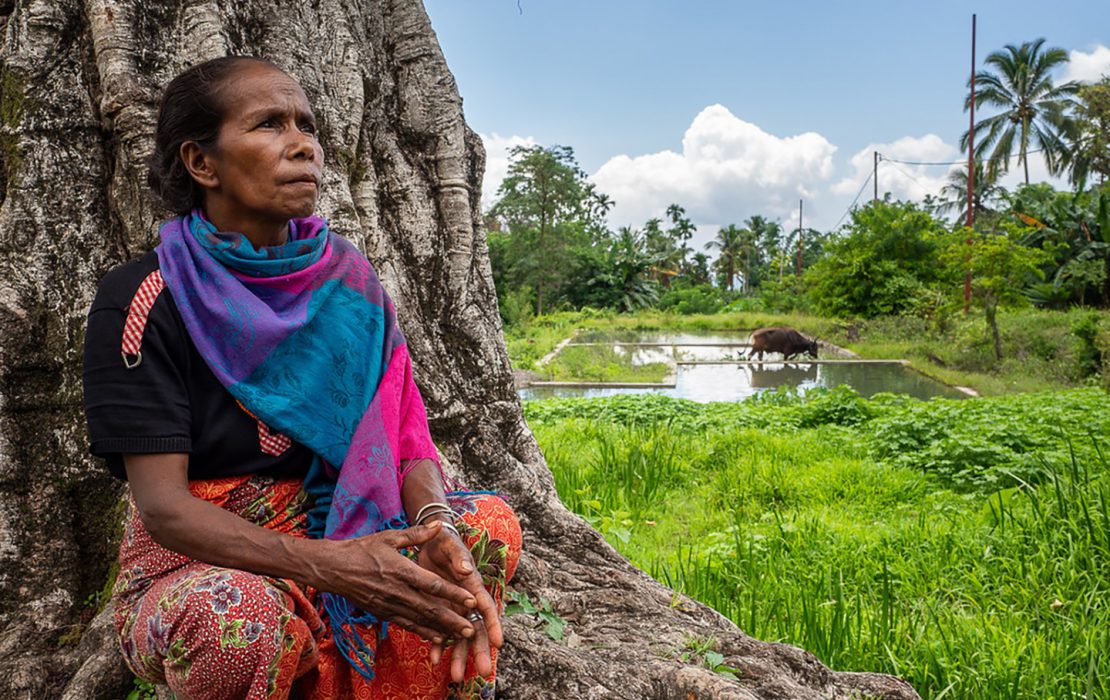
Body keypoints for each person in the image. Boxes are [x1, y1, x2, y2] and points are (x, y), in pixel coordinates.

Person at [82, 56, 521, 700]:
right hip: (206, 562)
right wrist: (332, 566)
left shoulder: (348, 282)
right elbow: (165, 509)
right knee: (237, 619)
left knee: (485, 527)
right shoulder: (148, 296)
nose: (302, 145)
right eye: (268, 124)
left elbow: (402, 440)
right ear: (203, 164)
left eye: (306, 126)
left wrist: (436, 526)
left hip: (350, 534)